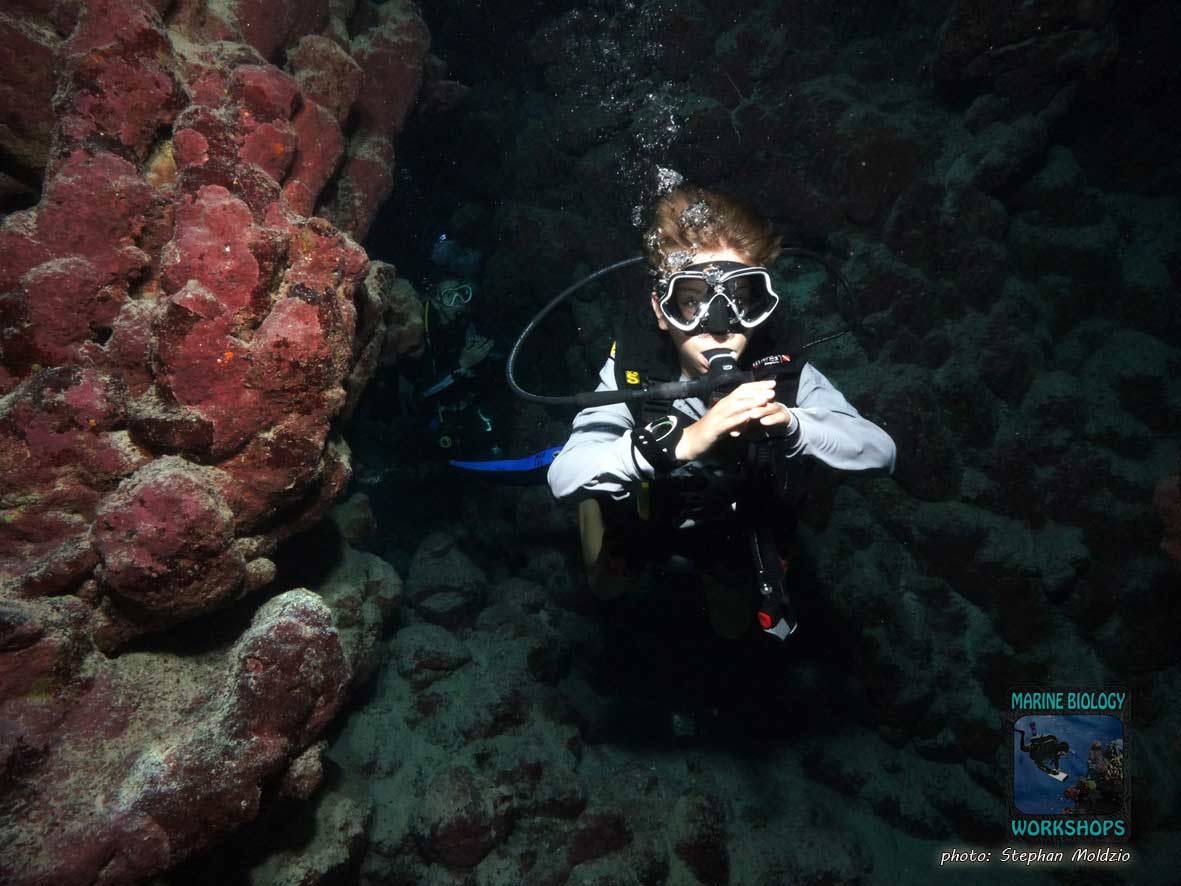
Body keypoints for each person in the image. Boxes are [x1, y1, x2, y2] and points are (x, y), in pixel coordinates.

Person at [546, 185, 896, 639]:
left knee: (731, 628)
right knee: (607, 587)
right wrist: (679, 444)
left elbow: (881, 451)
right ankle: (609, 522)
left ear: (761, 305)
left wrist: (792, 426)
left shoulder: (781, 372)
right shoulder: (635, 366)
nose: (719, 325)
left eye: (740, 298)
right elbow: (563, 475)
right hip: (650, 512)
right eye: (691, 301)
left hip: (732, 526)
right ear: (661, 310)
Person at [401, 278, 499, 455]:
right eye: (449, 296)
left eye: (461, 293)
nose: (458, 301)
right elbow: (421, 393)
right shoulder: (420, 337)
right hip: (433, 413)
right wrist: (463, 365)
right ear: (436, 303)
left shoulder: (467, 324)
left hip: (467, 404)